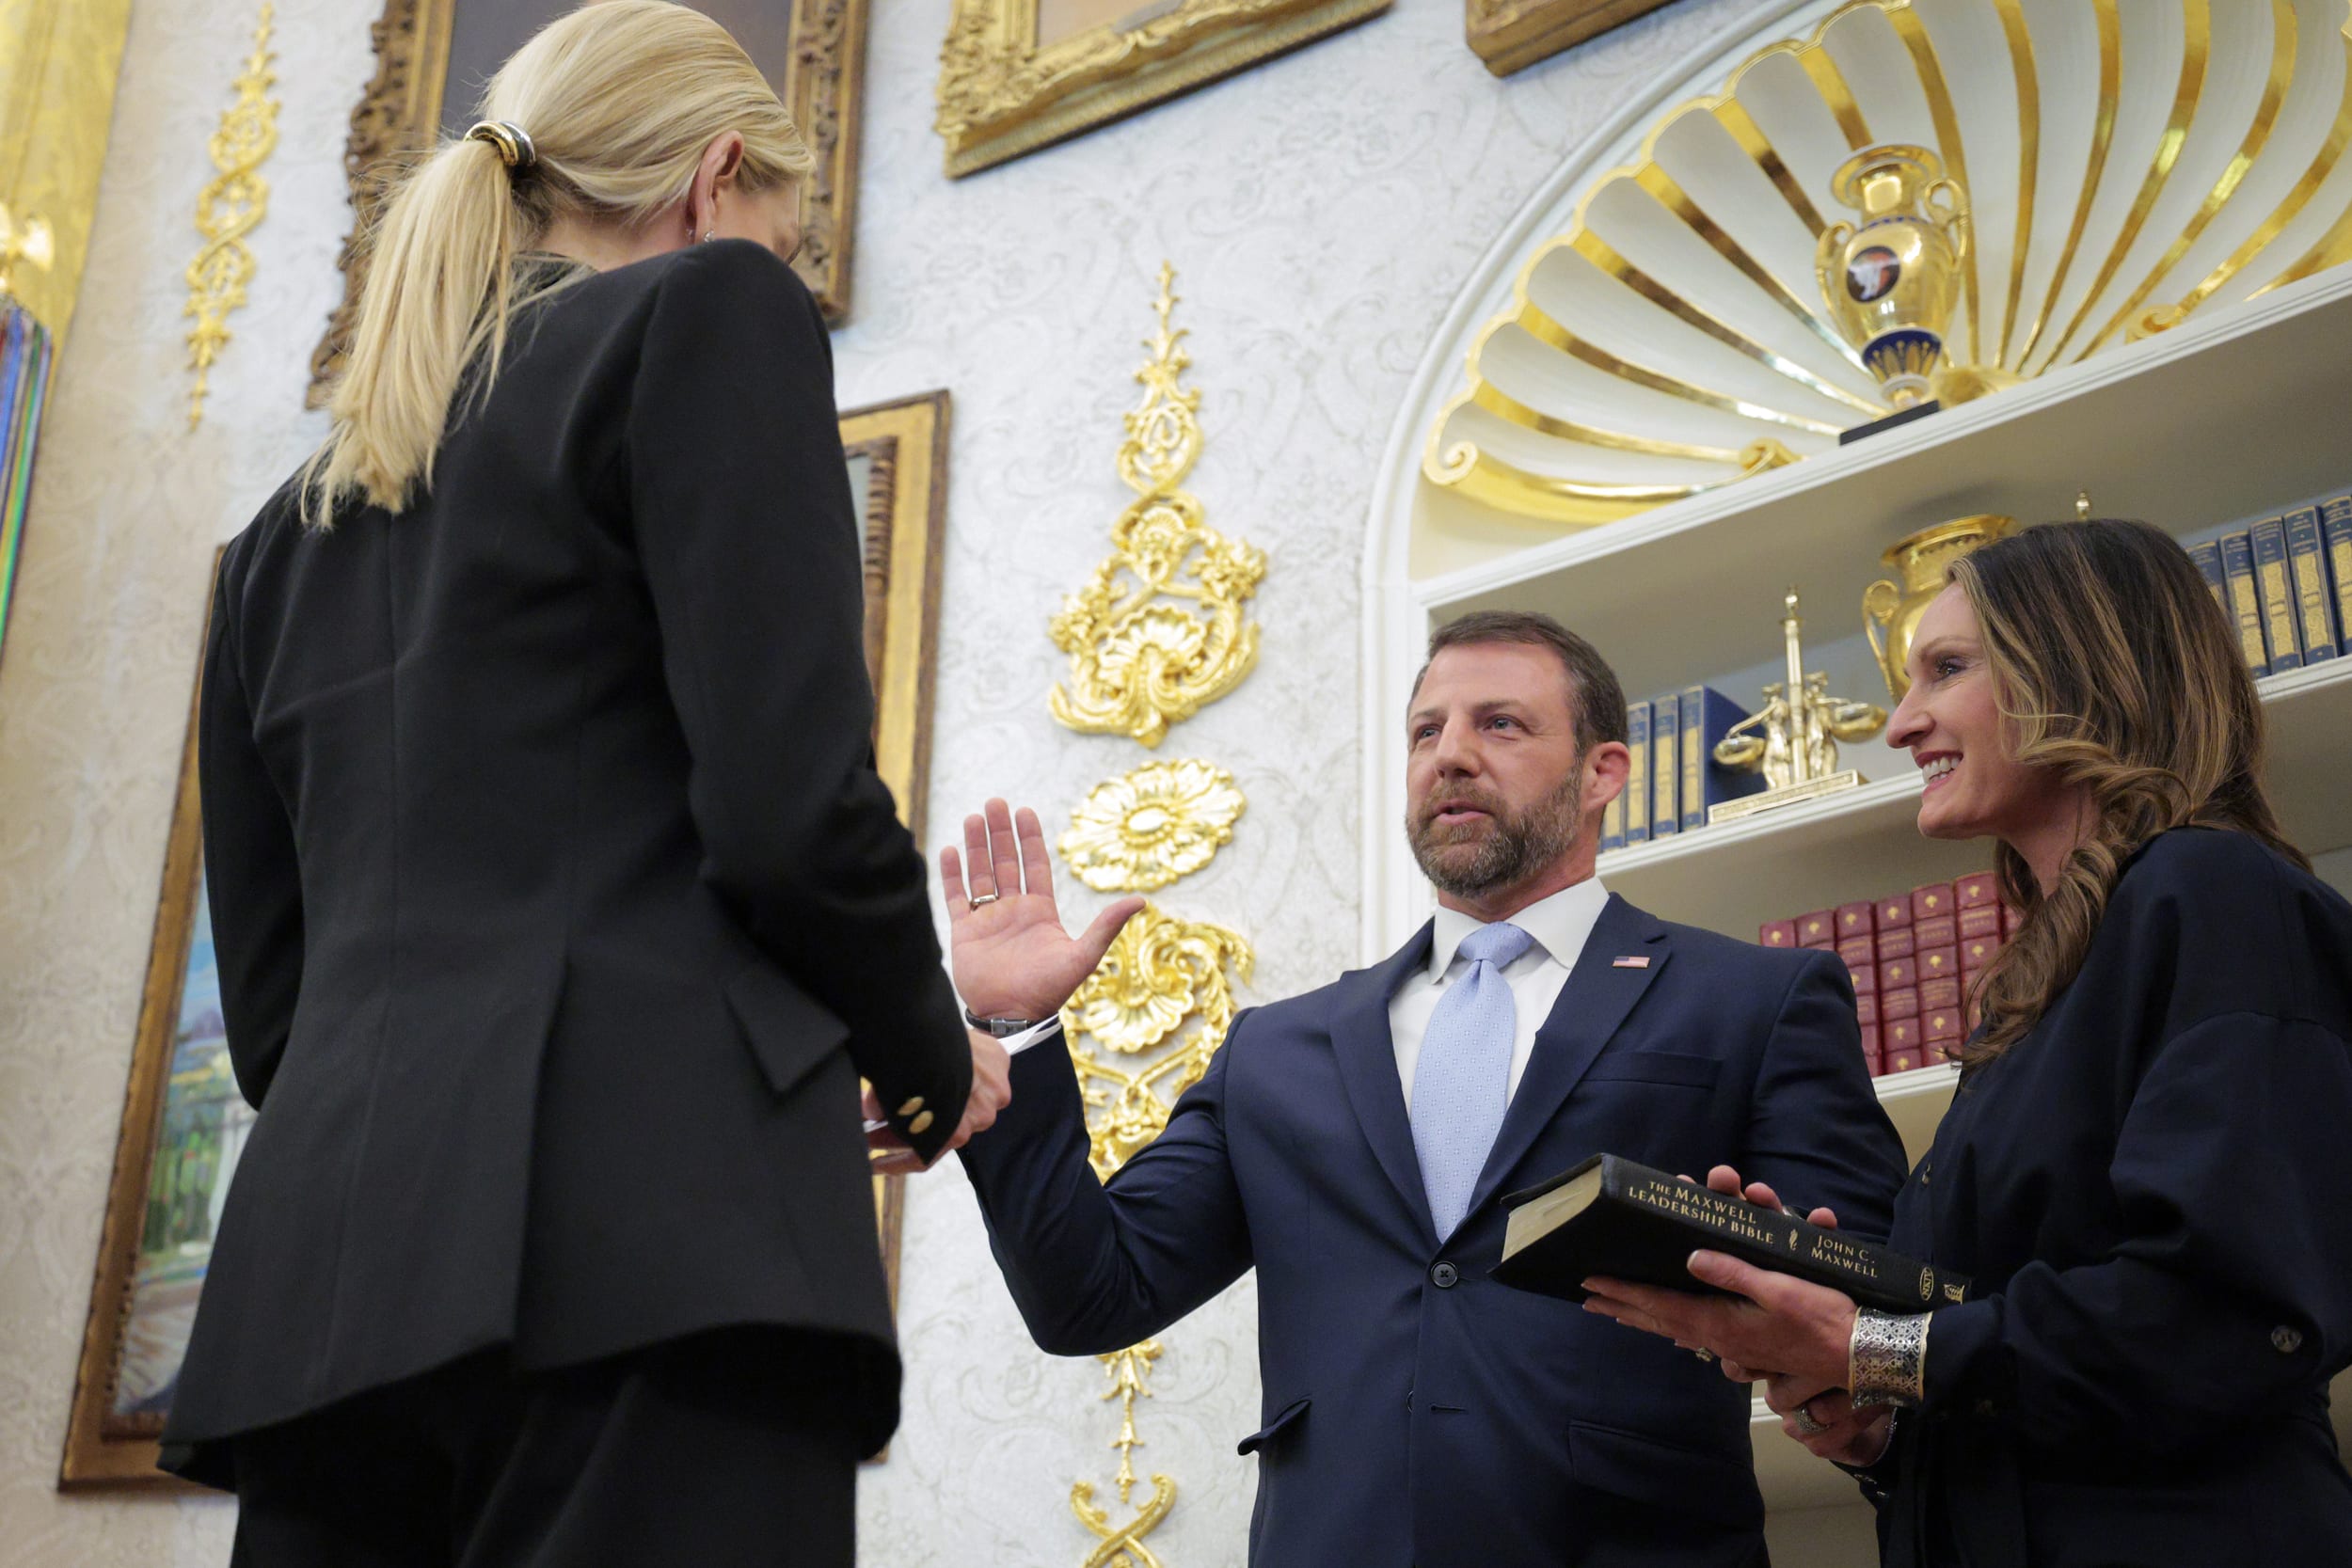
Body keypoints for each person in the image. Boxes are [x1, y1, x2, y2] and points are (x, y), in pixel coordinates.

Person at [158, 6, 1015, 1563]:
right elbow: (788, 813)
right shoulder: (714, 310)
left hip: (327, 1296)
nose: (779, 253)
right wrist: (930, 1053)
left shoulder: (277, 541)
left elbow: (275, 1023)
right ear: (716, 176)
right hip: (654, 1255)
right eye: (780, 220)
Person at [906, 610, 1910, 1568]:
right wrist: (1016, 1031)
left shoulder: (1755, 997)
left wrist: (1829, 1375)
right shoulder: (1276, 1047)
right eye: (1425, 730)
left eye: (1500, 724)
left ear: (1605, 769)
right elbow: (1090, 1294)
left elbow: (1858, 1302)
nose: (1450, 754)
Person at [1581, 519, 2352, 1566]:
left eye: (1945, 669)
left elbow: (2226, 1316)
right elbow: (2023, 1382)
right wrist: (1870, 1415)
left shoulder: (2212, 892)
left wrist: (1867, 1343)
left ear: (2080, 669)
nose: (1900, 726)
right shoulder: (2032, 996)